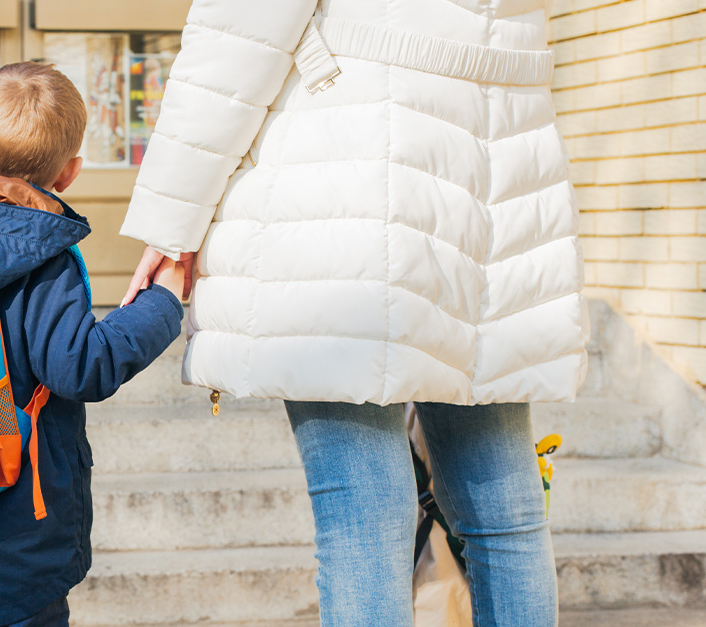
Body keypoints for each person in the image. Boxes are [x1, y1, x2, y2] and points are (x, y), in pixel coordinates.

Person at [119, 1, 587, 625]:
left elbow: (237, 37)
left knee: (365, 515)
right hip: (496, 179)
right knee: (505, 514)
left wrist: (172, 220)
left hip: (350, 171)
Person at [0, 62, 186, 627]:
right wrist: (163, 301)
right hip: (15, 540)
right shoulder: (40, 254)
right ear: (70, 172)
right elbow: (81, 366)